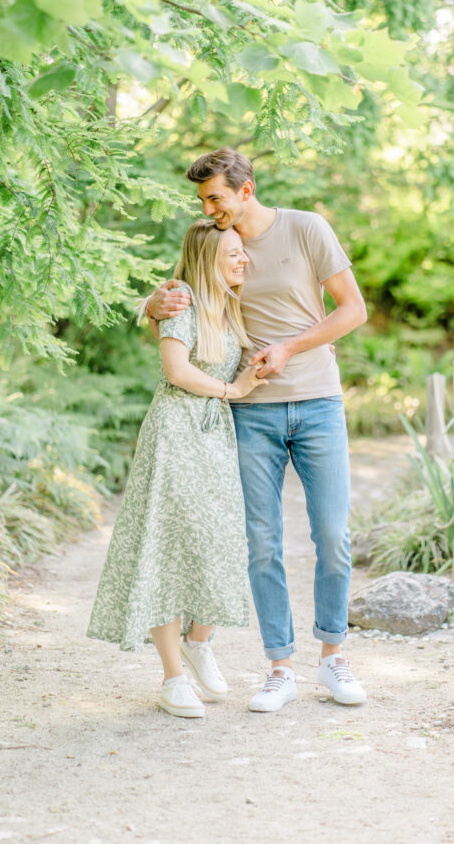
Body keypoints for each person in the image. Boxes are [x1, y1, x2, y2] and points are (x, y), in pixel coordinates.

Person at [146, 148, 369, 712]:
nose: (209, 206)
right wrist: (151, 305)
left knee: (333, 538)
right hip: (250, 412)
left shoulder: (306, 229)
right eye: (203, 200)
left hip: (318, 401)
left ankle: (333, 658)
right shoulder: (214, 243)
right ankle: (279, 667)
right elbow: (179, 297)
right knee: (262, 543)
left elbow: (352, 311)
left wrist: (291, 346)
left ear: (246, 189)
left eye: (216, 196)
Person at [87, 219, 262, 718]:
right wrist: (235, 390)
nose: (242, 260)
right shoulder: (183, 297)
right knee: (167, 545)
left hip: (212, 436)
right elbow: (177, 371)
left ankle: (198, 640)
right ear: (208, 258)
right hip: (176, 431)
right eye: (232, 253)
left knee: (218, 539)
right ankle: (172, 676)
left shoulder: (228, 303)